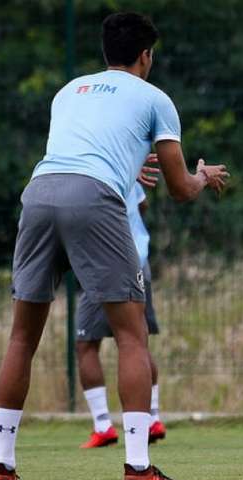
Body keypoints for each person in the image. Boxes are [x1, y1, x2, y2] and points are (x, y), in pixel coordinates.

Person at [0, 12, 228, 480]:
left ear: (105, 53)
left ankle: (2, 465)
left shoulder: (69, 90)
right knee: (132, 335)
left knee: (22, 338)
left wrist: (125, 164)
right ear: (146, 55)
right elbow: (180, 188)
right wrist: (204, 176)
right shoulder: (156, 97)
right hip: (93, 198)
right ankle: (139, 468)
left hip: (39, 192)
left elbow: (87, 145)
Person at [77, 155, 167, 449]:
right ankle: (152, 417)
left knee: (86, 344)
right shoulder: (124, 167)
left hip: (106, 265)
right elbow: (142, 204)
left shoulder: (86, 173)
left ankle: (103, 425)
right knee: (136, 341)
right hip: (140, 259)